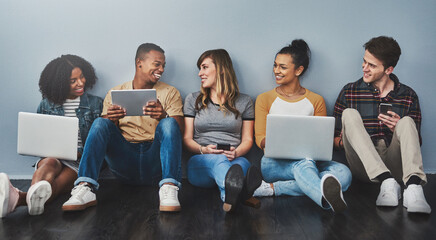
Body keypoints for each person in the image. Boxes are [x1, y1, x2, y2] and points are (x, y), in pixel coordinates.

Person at [62, 43, 184, 212]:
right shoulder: (116, 92)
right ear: (139, 63)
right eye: (157, 64)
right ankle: (85, 187)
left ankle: (170, 187)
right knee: (100, 122)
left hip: (155, 162)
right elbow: (102, 133)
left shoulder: (171, 92)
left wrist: (163, 116)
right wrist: (112, 119)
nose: (161, 69)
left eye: (163, 65)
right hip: (124, 162)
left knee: (169, 122)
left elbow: (179, 131)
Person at [333, 36, 431, 214]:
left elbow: (416, 143)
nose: (364, 68)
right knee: (349, 113)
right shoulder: (350, 91)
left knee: (407, 122)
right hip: (363, 166)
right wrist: (349, 138)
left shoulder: (408, 95)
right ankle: (385, 181)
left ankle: (414, 188)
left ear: (389, 69)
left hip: (396, 164)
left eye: (372, 65)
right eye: (364, 62)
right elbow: (333, 139)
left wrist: (397, 129)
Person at [253, 40, 352, 212]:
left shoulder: (316, 100)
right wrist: (280, 142)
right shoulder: (265, 99)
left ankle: (272, 188)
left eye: (282, 67)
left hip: (311, 161)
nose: (276, 71)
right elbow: (259, 138)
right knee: (305, 165)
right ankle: (324, 198)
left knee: (344, 174)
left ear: (298, 70)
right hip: (274, 164)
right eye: (275, 66)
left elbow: (321, 142)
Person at [0, 55, 103, 218]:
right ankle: (23, 199)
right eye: (73, 80)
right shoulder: (46, 104)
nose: (81, 83)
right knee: (48, 162)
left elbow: (100, 140)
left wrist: (78, 152)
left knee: (57, 183)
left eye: (82, 77)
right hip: (52, 157)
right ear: (60, 83)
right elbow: (40, 138)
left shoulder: (96, 104)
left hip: (80, 160)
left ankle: (18, 198)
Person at [183, 49, 262, 212]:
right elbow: (187, 139)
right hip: (201, 162)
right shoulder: (193, 99)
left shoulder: (245, 101)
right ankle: (244, 193)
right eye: (200, 68)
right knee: (220, 161)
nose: (200, 73)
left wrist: (237, 153)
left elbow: (247, 139)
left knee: (242, 165)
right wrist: (203, 149)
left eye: (204, 67)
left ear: (220, 68)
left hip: (235, 159)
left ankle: (229, 197)